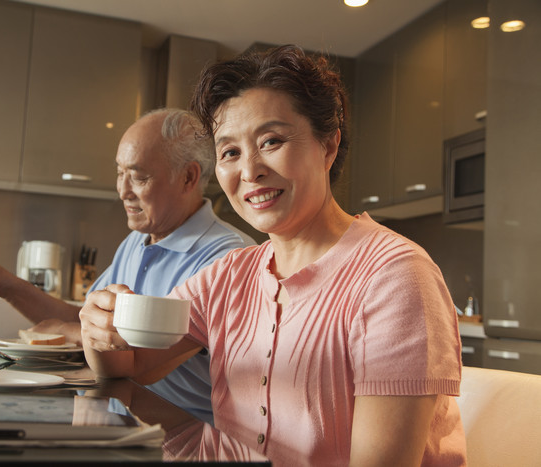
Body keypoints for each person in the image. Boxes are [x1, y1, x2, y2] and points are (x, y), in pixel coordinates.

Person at [79, 46, 467, 466]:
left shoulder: (394, 276)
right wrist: (99, 330)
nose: (249, 170)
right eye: (230, 152)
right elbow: (132, 366)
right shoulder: (229, 275)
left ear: (328, 144)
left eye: (272, 141)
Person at [0, 108, 255, 424]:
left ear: (188, 177)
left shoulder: (228, 256)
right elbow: (89, 320)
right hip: (122, 415)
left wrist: (65, 331)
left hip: (186, 432)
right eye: (119, 173)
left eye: (139, 177)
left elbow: (136, 357)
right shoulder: (136, 242)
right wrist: (8, 287)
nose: (123, 191)